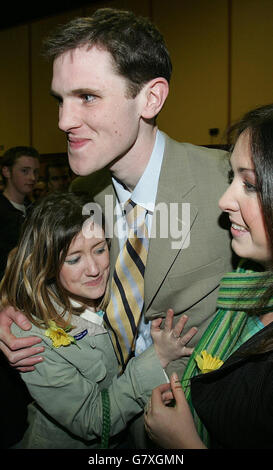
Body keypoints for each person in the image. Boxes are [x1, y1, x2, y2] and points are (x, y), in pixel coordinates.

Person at [0, 8, 233, 446]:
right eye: (60, 100)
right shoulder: (84, 191)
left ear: (150, 99)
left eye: (87, 96)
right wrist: (6, 308)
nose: (64, 121)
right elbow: (34, 264)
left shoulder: (226, 182)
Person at [0, 191, 197, 449]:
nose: (93, 269)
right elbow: (93, 419)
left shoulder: (116, 285)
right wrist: (156, 357)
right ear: (46, 262)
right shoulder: (30, 335)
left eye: (100, 249)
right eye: (74, 259)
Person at [144, 103, 273, 449]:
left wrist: (185, 443)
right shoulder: (249, 285)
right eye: (232, 178)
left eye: (249, 184)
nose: (223, 200)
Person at [0, 146, 40, 279]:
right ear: (6, 171)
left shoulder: (35, 210)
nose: (33, 177)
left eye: (36, 172)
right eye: (25, 171)